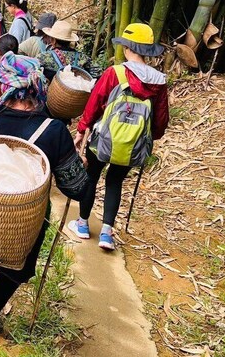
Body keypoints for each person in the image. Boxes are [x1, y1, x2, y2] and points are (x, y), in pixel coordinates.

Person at [0, 57, 88, 335]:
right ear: (39, 87)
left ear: (2, 86)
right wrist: (80, 165)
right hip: (24, 215)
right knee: (16, 257)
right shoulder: (54, 132)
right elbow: (76, 188)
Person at [70, 23, 169, 251]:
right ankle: (106, 233)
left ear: (127, 48)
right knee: (115, 181)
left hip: (104, 138)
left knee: (91, 176)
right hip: (133, 144)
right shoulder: (159, 81)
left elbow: (94, 104)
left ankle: (83, 225)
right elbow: (161, 117)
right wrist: (151, 137)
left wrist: (82, 128)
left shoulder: (114, 73)